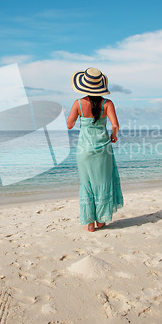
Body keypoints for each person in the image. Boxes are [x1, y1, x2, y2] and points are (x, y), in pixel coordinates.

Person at [67, 67, 124, 232]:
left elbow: (69, 125)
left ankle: (90, 223)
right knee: (103, 182)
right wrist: (113, 136)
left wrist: (80, 118)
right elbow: (115, 125)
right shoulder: (108, 103)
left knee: (87, 184)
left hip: (84, 150)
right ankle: (101, 220)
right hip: (103, 149)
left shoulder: (77, 103)